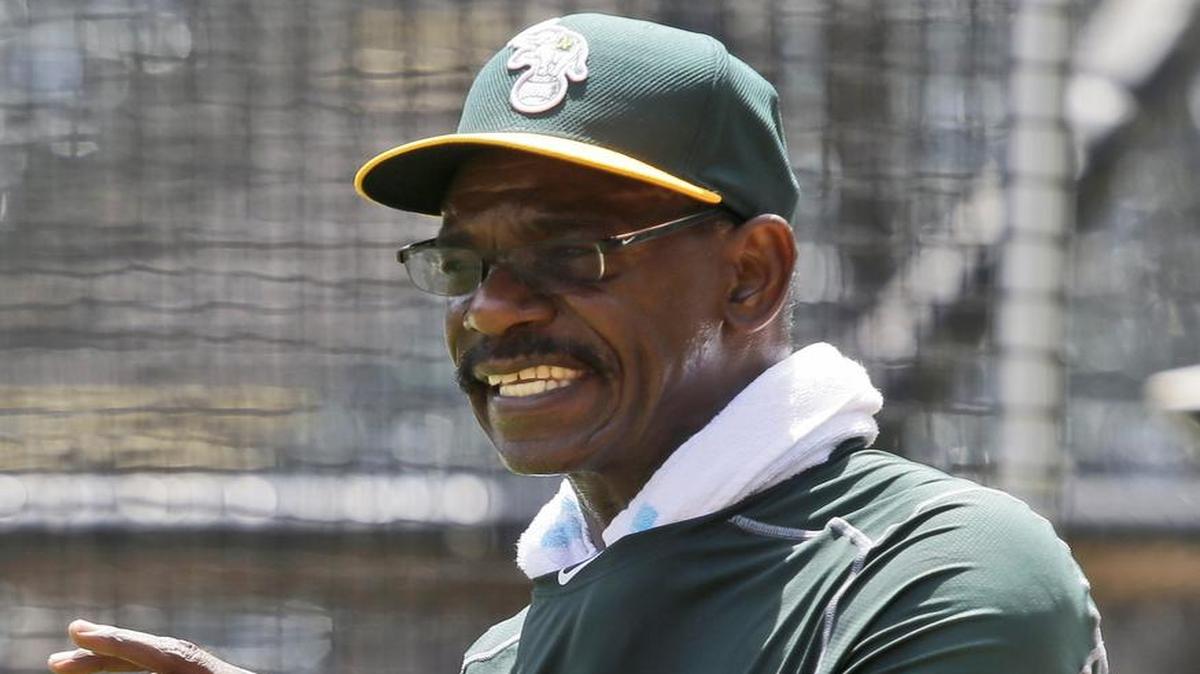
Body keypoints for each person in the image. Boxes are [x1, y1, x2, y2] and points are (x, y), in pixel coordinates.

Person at [47, 13, 1108, 674]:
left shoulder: (938, 573)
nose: (497, 307)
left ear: (752, 275)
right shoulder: (510, 651)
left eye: (573, 252)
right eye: (463, 264)